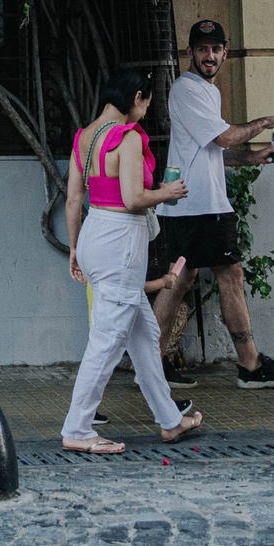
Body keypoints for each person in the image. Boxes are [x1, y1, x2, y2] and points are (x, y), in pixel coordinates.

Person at [60, 73, 203, 453]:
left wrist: (75, 247)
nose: (144, 112)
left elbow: (74, 200)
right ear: (136, 97)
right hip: (121, 241)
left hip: (94, 235)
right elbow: (133, 198)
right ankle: (77, 427)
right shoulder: (126, 138)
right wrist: (166, 192)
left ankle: (170, 420)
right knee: (107, 340)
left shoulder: (83, 138)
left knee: (143, 335)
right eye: (146, 104)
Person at [154, 18, 274, 390]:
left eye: (216, 49)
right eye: (202, 49)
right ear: (190, 52)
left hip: (192, 202)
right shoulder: (188, 89)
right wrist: (265, 120)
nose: (210, 55)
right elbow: (223, 136)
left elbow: (209, 151)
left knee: (180, 278)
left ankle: (150, 364)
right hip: (200, 205)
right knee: (230, 276)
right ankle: (251, 367)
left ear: (224, 52)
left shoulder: (206, 92)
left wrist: (250, 158)